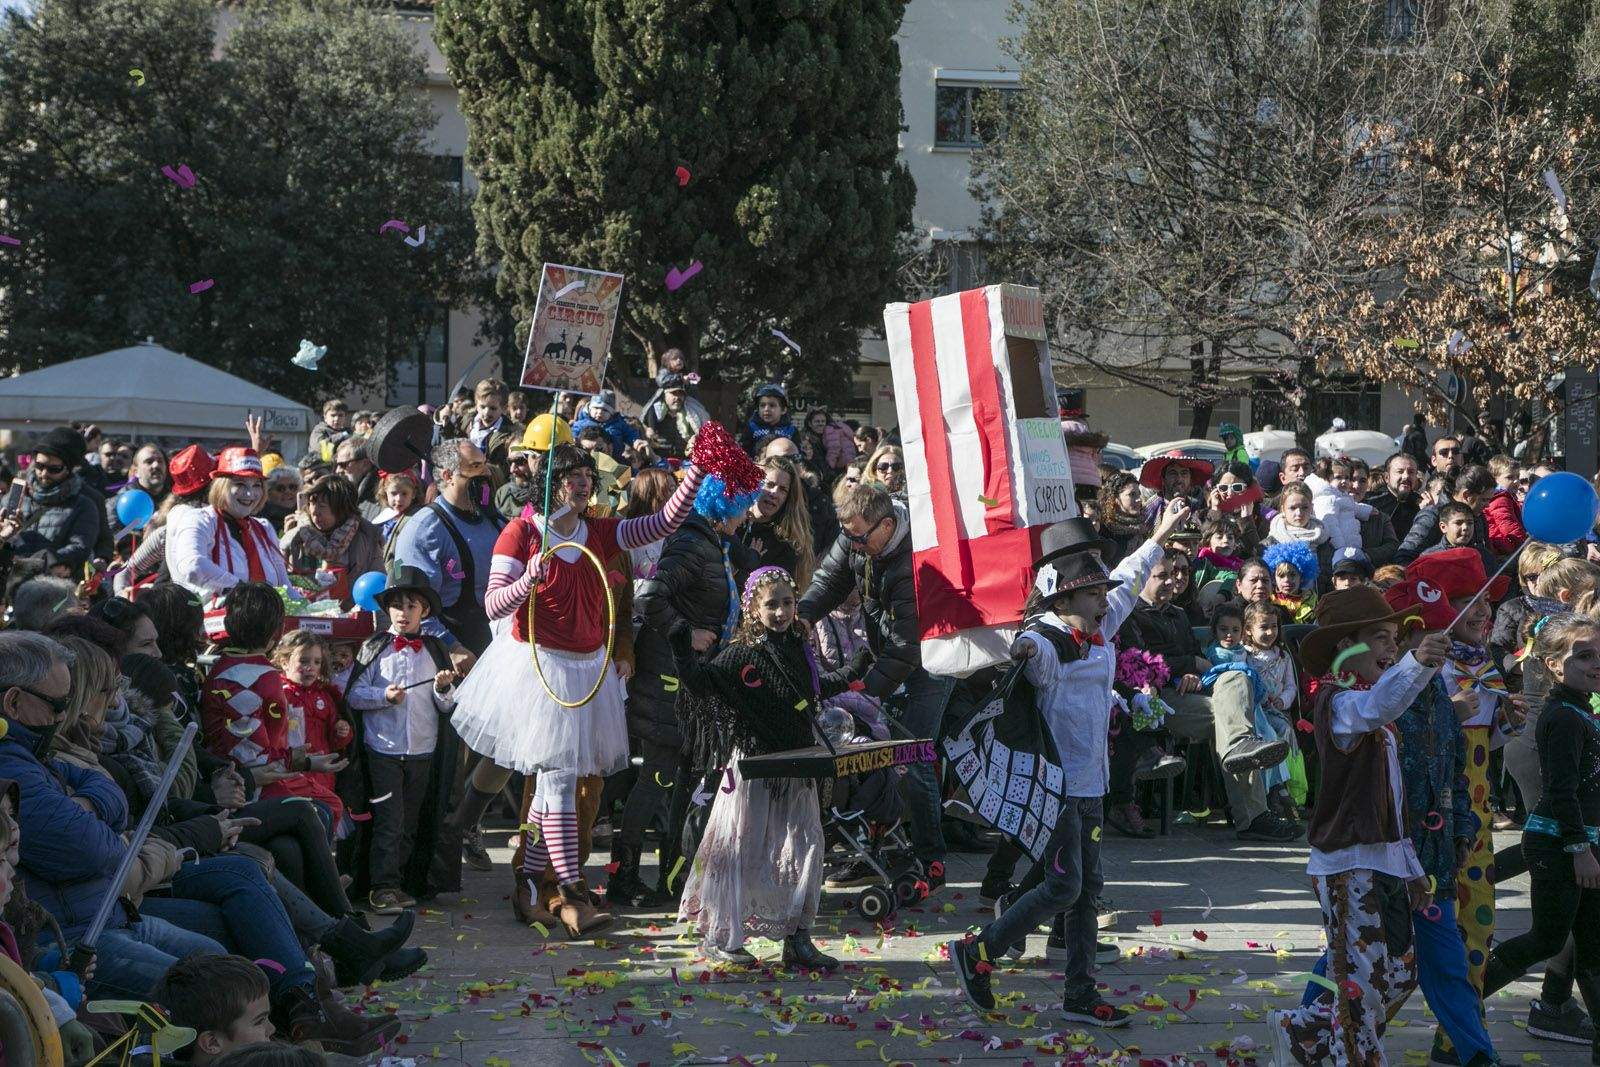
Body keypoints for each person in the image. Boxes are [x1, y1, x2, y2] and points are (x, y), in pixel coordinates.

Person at [949, 502, 1192, 1022]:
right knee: (1064, 885)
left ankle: (1080, 992)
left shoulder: (1101, 627)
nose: (1105, 598)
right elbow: (1029, 647)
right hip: (1056, 788)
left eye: (1103, 592)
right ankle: (979, 952)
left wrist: (1161, 534)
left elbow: (1129, 575)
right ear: (1064, 597)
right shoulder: (1047, 638)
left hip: (1092, 787)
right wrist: (1023, 653)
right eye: (1092, 592)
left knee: (1086, 892)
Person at [453, 440, 704, 935]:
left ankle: (529, 887)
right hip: (539, 670)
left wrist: (695, 471)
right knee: (560, 783)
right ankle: (571, 891)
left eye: (587, 473)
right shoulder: (521, 531)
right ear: (547, 483)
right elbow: (493, 605)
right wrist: (529, 580)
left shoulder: (601, 531)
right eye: (570, 474)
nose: (582, 481)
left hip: (590, 670)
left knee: (554, 787)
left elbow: (662, 523)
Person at [1271, 588, 1452, 1066]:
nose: (1391, 648)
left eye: (1395, 639)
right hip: (1347, 864)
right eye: (1380, 638)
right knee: (1360, 986)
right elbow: (1380, 706)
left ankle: (1301, 1034)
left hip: (1384, 862)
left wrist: (1411, 869)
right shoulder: (1338, 704)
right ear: (1344, 648)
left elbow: (1392, 807)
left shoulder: (1373, 712)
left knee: (1399, 972)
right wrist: (1417, 663)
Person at [672, 566, 859, 967]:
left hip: (797, 767)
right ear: (752, 609)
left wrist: (855, 670)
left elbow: (811, 692)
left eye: (787, 603)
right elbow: (703, 684)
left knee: (806, 847)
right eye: (771, 604)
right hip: (754, 771)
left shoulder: (799, 646)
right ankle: (724, 935)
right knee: (741, 851)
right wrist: (680, 651)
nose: (781, 612)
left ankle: (797, 938)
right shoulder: (742, 655)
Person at [799, 482, 954, 892]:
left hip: (934, 657)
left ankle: (929, 859)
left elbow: (908, 647)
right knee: (875, 754)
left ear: (887, 525)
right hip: (893, 648)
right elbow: (828, 580)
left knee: (915, 753)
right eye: (846, 534)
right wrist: (801, 617)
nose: (851, 543)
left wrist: (867, 688)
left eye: (858, 536)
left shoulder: (913, 561)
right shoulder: (858, 534)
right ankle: (877, 852)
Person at [1478, 614, 1600, 1066]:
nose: (1596, 663)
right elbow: (1562, 792)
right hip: (1556, 845)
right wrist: (1580, 851)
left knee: (1591, 947)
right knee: (1548, 939)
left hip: (1581, 842)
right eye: (1583, 655)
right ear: (1551, 664)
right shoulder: (1563, 715)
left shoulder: (1582, 708)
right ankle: (1466, 1003)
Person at [1118, 549, 1299, 841]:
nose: (1172, 581)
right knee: (1237, 720)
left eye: (1175, 574)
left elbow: (1196, 657)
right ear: (1142, 579)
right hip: (1155, 699)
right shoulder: (1131, 614)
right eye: (1162, 576)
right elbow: (1140, 661)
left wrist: (1194, 671)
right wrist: (1186, 668)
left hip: (1193, 691)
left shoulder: (1177, 614)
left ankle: (1240, 751)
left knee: (1237, 678)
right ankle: (1253, 817)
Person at [395, 437, 506, 875]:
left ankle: (466, 822)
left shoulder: (493, 521)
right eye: (472, 468)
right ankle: (432, 851)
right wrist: (453, 647)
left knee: (506, 742)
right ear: (444, 477)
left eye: (484, 466)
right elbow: (409, 604)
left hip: (494, 643)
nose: (483, 475)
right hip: (444, 646)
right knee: (447, 756)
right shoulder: (424, 526)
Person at [344, 567, 460, 912]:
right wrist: (384, 697)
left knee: (410, 822)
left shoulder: (435, 650)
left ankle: (404, 882)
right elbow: (354, 695)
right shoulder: (375, 647)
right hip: (383, 750)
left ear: (424, 611)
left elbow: (446, 705)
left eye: (412, 606)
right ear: (387, 610)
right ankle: (382, 888)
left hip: (423, 750)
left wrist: (442, 688)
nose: (403, 612)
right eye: (397, 605)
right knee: (389, 822)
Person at [166, 448, 290, 598]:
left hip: (266, 619)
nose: (250, 494)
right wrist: (243, 591)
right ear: (221, 486)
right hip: (212, 619)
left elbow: (285, 586)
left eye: (257, 485)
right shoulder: (198, 519)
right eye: (240, 484)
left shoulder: (264, 527)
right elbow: (192, 566)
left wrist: (309, 609)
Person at [271, 631, 353, 833]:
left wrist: (341, 732)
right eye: (304, 660)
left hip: (322, 777)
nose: (311, 668)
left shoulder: (325, 696)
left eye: (317, 662)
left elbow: (333, 741)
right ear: (284, 661)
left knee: (323, 824)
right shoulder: (278, 694)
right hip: (290, 775)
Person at [278, 475, 384, 608]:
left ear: (342, 509)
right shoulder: (297, 539)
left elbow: (378, 593)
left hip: (353, 620)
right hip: (307, 619)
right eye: (312, 503)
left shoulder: (366, 541)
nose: (315, 511)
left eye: (322, 505)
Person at [14, 427, 102, 569]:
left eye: (53, 469)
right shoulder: (16, 495)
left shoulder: (84, 505)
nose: (44, 473)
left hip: (52, 584)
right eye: (39, 465)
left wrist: (40, 561)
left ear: (68, 469)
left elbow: (79, 548)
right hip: (10, 581)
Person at [741, 455, 816, 590]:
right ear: (756, 484)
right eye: (769, 485)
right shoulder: (732, 523)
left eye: (783, 490)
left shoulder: (785, 542)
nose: (774, 494)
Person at [1397, 465, 1496, 565]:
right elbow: (1404, 557)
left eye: (1469, 523)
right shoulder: (1432, 516)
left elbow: (1488, 558)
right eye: (1484, 500)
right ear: (1466, 495)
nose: (1487, 505)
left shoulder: (1479, 517)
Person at [1306, 460, 1374, 556]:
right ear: (1327, 479)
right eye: (1338, 477)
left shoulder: (1342, 496)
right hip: (1339, 549)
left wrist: (1367, 510)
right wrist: (1341, 548)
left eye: (1347, 478)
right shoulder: (1327, 499)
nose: (1344, 481)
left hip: (1350, 545)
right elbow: (1330, 525)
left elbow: (1353, 507)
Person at [641, 371, 706, 460]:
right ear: (665, 395)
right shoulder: (654, 412)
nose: (677, 398)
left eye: (680, 394)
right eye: (674, 394)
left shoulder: (692, 415)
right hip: (659, 459)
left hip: (684, 460)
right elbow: (642, 429)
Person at [1367, 453, 1426, 552]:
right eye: (1400, 471)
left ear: (1416, 477)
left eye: (1411, 472)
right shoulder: (1371, 502)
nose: (1406, 476)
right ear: (1386, 477)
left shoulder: (1423, 505)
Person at [466, 377, 522, 479]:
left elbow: (507, 464)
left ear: (504, 408)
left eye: (493, 408)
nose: (487, 412)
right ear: (476, 404)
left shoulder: (509, 433)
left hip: (490, 481)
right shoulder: (468, 422)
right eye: (482, 407)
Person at [571, 389, 640, 461]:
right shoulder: (581, 423)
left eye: (605, 410)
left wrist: (635, 441)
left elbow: (630, 433)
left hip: (614, 458)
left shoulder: (618, 423)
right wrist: (573, 440)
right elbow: (574, 433)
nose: (600, 412)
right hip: (586, 459)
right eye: (596, 408)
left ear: (612, 413)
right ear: (589, 408)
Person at [1139, 453, 1212, 519]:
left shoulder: (1198, 509)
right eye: (1173, 473)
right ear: (1163, 479)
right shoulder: (1149, 511)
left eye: (1184, 473)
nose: (1179, 479)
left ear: (1190, 479)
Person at [1263, 539, 1319, 623]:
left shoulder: (1311, 599)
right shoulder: (1268, 600)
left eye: (1292, 575)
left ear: (1302, 577)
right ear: (1274, 579)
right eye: (1281, 576)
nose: (1287, 580)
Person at [739, 383, 798, 455]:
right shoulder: (751, 428)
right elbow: (742, 453)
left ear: (783, 410)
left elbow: (799, 456)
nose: (766, 409)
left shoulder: (791, 430)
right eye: (762, 405)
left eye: (772, 405)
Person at [330, 439, 381, 523]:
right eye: (336, 465)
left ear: (365, 464)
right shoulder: (345, 495)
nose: (338, 470)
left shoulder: (383, 495)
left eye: (343, 465)